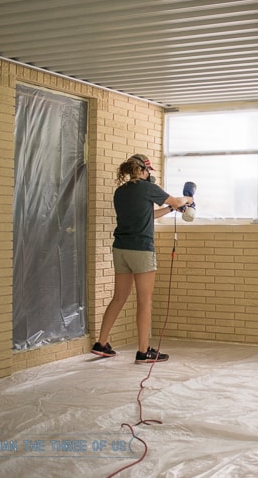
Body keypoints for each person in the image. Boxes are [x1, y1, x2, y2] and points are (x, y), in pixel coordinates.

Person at [91, 154, 191, 363]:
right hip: (141, 250)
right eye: (148, 171)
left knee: (119, 298)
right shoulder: (147, 188)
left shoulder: (120, 192)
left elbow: (149, 215)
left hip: (121, 249)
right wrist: (187, 199)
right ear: (142, 170)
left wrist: (171, 209)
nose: (149, 175)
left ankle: (101, 344)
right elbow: (176, 199)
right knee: (144, 301)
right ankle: (143, 351)